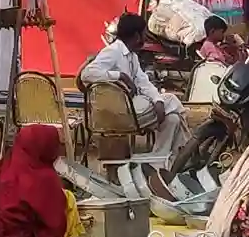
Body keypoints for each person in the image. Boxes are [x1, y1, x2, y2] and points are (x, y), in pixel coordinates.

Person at [79, 12, 189, 154]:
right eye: (144, 34)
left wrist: (157, 100)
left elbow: (144, 82)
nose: (145, 38)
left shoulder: (132, 56)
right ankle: (188, 150)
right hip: (121, 114)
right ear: (137, 36)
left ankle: (158, 162)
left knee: (173, 118)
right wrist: (120, 76)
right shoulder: (113, 51)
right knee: (172, 100)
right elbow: (87, 74)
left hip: (132, 109)